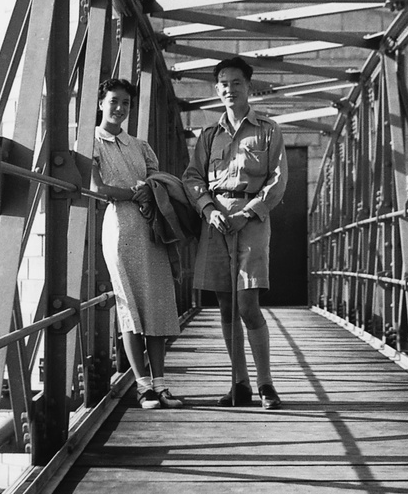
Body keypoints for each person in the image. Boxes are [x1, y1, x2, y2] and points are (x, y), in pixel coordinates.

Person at [183, 56, 288, 410]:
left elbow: (277, 179)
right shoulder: (208, 135)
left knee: (248, 304)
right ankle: (239, 384)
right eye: (224, 84)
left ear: (249, 86)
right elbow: (192, 177)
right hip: (215, 221)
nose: (230, 89)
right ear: (217, 90)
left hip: (251, 221)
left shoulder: (269, 130)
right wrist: (208, 209)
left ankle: (266, 384)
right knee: (226, 307)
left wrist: (248, 212)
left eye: (237, 83)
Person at [92, 77, 183, 410]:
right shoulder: (92, 142)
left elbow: (159, 180)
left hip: (150, 228)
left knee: (156, 304)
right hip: (119, 228)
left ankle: (161, 384)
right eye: (113, 101)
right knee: (130, 306)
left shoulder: (140, 145)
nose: (119, 108)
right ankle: (142, 386)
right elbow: (98, 187)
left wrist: (149, 188)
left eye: (126, 104)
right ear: (101, 103)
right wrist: (137, 191)